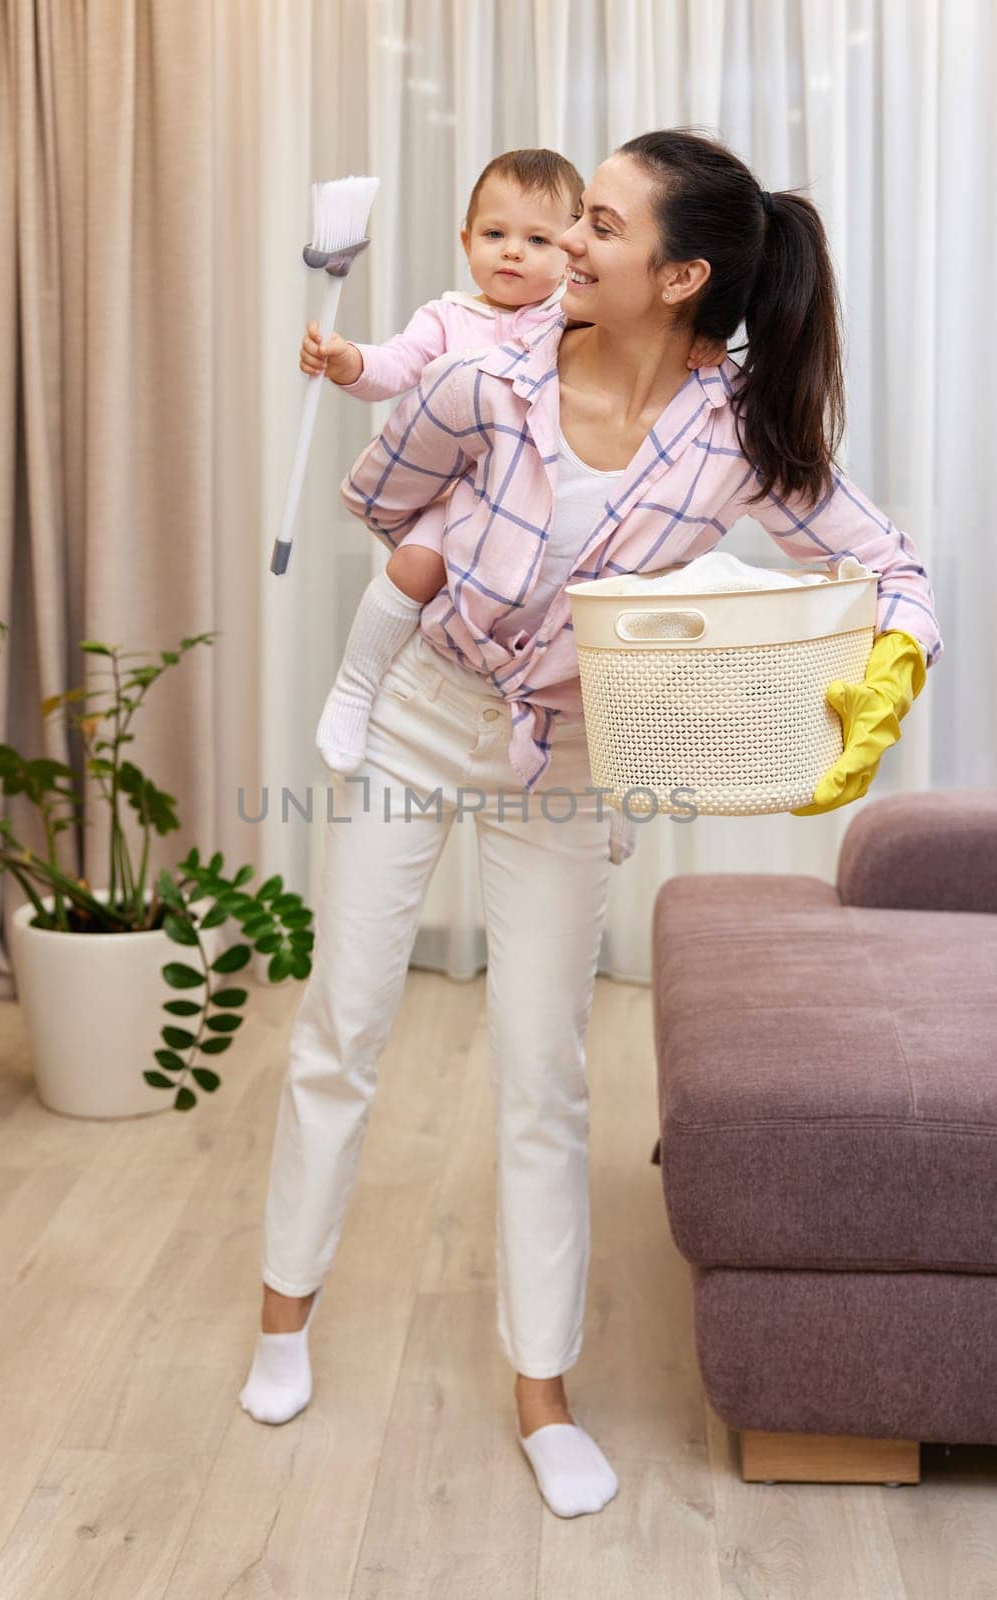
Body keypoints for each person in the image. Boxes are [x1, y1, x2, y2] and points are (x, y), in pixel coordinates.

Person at [240, 128, 942, 1521]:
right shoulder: (485, 369)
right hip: (418, 715)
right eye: (571, 226)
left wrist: (891, 665)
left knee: (542, 1074)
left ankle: (540, 1393)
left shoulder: (735, 434)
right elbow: (374, 500)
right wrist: (431, 424)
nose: (566, 245)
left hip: (561, 761)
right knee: (344, 1020)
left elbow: (889, 564)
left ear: (677, 276)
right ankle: (280, 1324)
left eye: (599, 229)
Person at [300, 147, 725, 865]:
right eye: (494, 236)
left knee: (604, 629)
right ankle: (356, 684)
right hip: (461, 496)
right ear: (465, 243)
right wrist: (349, 362)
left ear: (568, 251)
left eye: (536, 240)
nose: (513, 254)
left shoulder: (575, 318)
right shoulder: (447, 319)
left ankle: (620, 787)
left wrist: (697, 337)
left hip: (539, 508)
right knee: (411, 566)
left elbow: (646, 344)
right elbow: (395, 368)